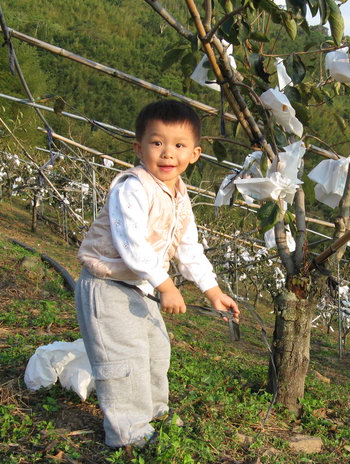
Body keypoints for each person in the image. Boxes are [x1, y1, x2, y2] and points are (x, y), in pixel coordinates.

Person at [75, 99, 239, 448]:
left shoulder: (179, 195)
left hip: (139, 288)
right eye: (157, 143)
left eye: (178, 145)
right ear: (139, 147)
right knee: (124, 358)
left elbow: (188, 248)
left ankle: (153, 414)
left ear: (194, 154)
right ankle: (128, 434)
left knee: (155, 350)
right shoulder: (132, 186)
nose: (167, 154)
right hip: (107, 285)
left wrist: (212, 291)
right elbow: (130, 243)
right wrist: (166, 286)